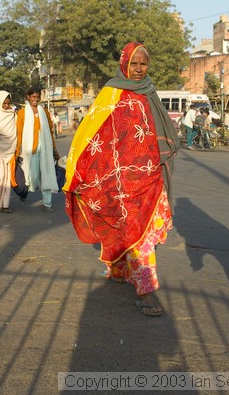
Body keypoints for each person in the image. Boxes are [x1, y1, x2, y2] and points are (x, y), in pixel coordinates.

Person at [63, 41, 180, 317]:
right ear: (124, 63)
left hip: (150, 176)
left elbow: (161, 130)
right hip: (120, 180)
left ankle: (120, 270)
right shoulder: (111, 93)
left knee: (144, 234)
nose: (139, 69)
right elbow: (93, 134)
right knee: (133, 231)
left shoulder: (150, 91)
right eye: (134, 64)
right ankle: (146, 290)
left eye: (144, 64)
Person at [15, 87, 59, 211]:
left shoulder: (44, 112)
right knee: (31, 176)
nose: (36, 99)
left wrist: (54, 149)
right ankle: (24, 193)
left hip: (45, 147)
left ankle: (47, 203)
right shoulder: (22, 113)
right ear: (28, 97)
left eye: (37, 97)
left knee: (47, 173)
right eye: (33, 97)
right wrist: (18, 151)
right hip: (29, 150)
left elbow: (50, 131)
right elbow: (19, 133)